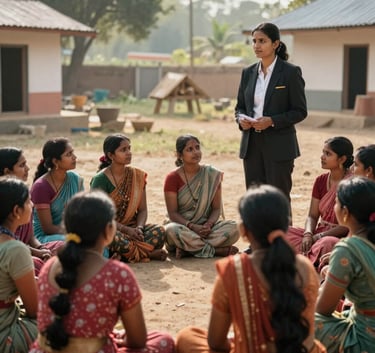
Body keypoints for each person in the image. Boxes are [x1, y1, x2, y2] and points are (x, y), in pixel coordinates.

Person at [176, 184, 326, 353]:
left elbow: (216, 342)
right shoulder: (305, 267)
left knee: (187, 337)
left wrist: (238, 341)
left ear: (243, 231)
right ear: (286, 227)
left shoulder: (234, 270)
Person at [29, 190, 175, 353]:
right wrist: (119, 339)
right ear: (109, 229)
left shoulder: (48, 267)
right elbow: (137, 341)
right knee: (164, 341)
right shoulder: (117, 274)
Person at [235, 22, 307, 207]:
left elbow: (300, 111)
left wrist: (272, 121)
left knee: (279, 199)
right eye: (254, 41)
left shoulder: (290, 72)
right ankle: (258, 236)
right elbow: (240, 107)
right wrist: (241, 120)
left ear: (275, 44)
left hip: (280, 145)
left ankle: (284, 236)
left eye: (262, 41)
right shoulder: (248, 72)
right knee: (254, 199)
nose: (256, 46)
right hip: (251, 145)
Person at [315, 177, 375, 353]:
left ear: (345, 212)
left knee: (298, 320)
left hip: (366, 338)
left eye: (336, 203)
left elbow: (323, 309)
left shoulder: (348, 249)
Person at [90, 134, 167, 262]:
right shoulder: (100, 180)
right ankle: (148, 254)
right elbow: (100, 218)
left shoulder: (137, 176)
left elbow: (142, 210)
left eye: (129, 148)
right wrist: (126, 230)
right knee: (108, 235)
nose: (129, 153)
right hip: (111, 228)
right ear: (110, 155)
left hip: (133, 229)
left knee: (160, 231)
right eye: (123, 150)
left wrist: (139, 228)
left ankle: (124, 255)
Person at [163, 134, 239, 259]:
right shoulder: (172, 178)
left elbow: (216, 209)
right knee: (171, 230)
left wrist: (208, 225)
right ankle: (215, 251)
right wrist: (192, 226)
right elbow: (173, 214)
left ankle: (189, 249)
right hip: (183, 227)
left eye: (197, 147)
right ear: (179, 155)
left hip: (206, 228)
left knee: (235, 227)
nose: (196, 152)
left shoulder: (212, 174)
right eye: (190, 149)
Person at [286, 136, 353, 269]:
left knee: (327, 244)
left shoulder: (351, 184)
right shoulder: (320, 180)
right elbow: (312, 215)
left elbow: (349, 224)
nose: (322, 157)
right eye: (323, 152)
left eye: (328, 154)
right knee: (282, 231)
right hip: (317, 233)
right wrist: (308, 234)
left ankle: (304, 261)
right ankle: (308, 258)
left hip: (339, 236)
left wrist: (319, 237)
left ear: (342, 159)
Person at [0, 147, 64, 276]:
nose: (28, 168)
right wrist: (36, 253)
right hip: (10, 254)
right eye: (22, 165)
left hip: (26, 250)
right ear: (7, 171)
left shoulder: (24, 196)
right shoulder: (4, 200)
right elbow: (7, 242)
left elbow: (31, 237)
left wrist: (41, 248)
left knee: (64, 248)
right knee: (36, 264)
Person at [0, 177, 38, 352]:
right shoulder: (14, 249)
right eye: (29, 201)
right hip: (4, 335)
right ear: (16, 210)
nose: (33, 206)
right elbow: (34, 311)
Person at [30, 137, 84, 243]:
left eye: (73, 153)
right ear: (55, 161)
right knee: (76, 243)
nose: (74, 157)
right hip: (46, 237)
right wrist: (76, 233)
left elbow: (82, 211)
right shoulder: (41, 187)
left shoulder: (75, 179)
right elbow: (48, 228)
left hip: (72, 231)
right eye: (69, 155)